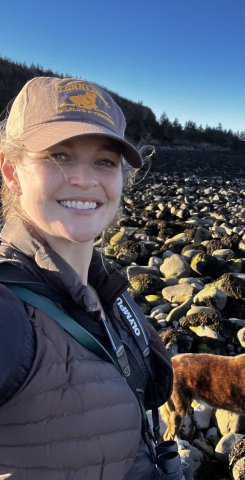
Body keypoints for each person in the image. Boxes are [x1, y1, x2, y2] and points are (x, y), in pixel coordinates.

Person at [0, 77, 173, 479]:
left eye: (104, 161)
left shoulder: (107, 291)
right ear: (11, 171)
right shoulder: (9, 308)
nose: (84, 179)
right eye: (59, 156)